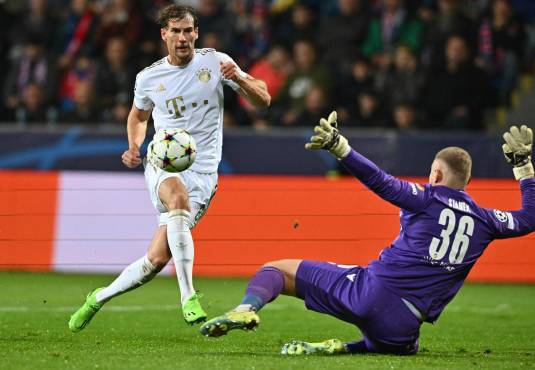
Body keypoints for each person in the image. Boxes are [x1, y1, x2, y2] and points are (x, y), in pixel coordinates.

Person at [200, 112, 535, 356]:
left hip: (372, 293)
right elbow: (529, 217)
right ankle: (340, 348)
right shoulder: (486, 219)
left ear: (435, 172)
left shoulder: (426, 197)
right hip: (406, 323)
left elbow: (381, 181)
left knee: (275, 269)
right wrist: (523, 166)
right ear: (467, 182)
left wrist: (340, 148)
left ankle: (246, 308)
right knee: (402, 346)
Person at [68, 4, 270, 332]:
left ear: (196, 33)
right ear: (164, 35)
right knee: (176, 199)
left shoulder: (217, 62)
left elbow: (264, 99)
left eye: (188, 30)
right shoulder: (149, 78)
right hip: (163, 160)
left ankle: (98, 297)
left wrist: (242, 82)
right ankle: (188, 296)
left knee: (156, 260)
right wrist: (134, 145)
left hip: (204, 173)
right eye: (175, 31)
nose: (182, 38)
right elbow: (138, 116)